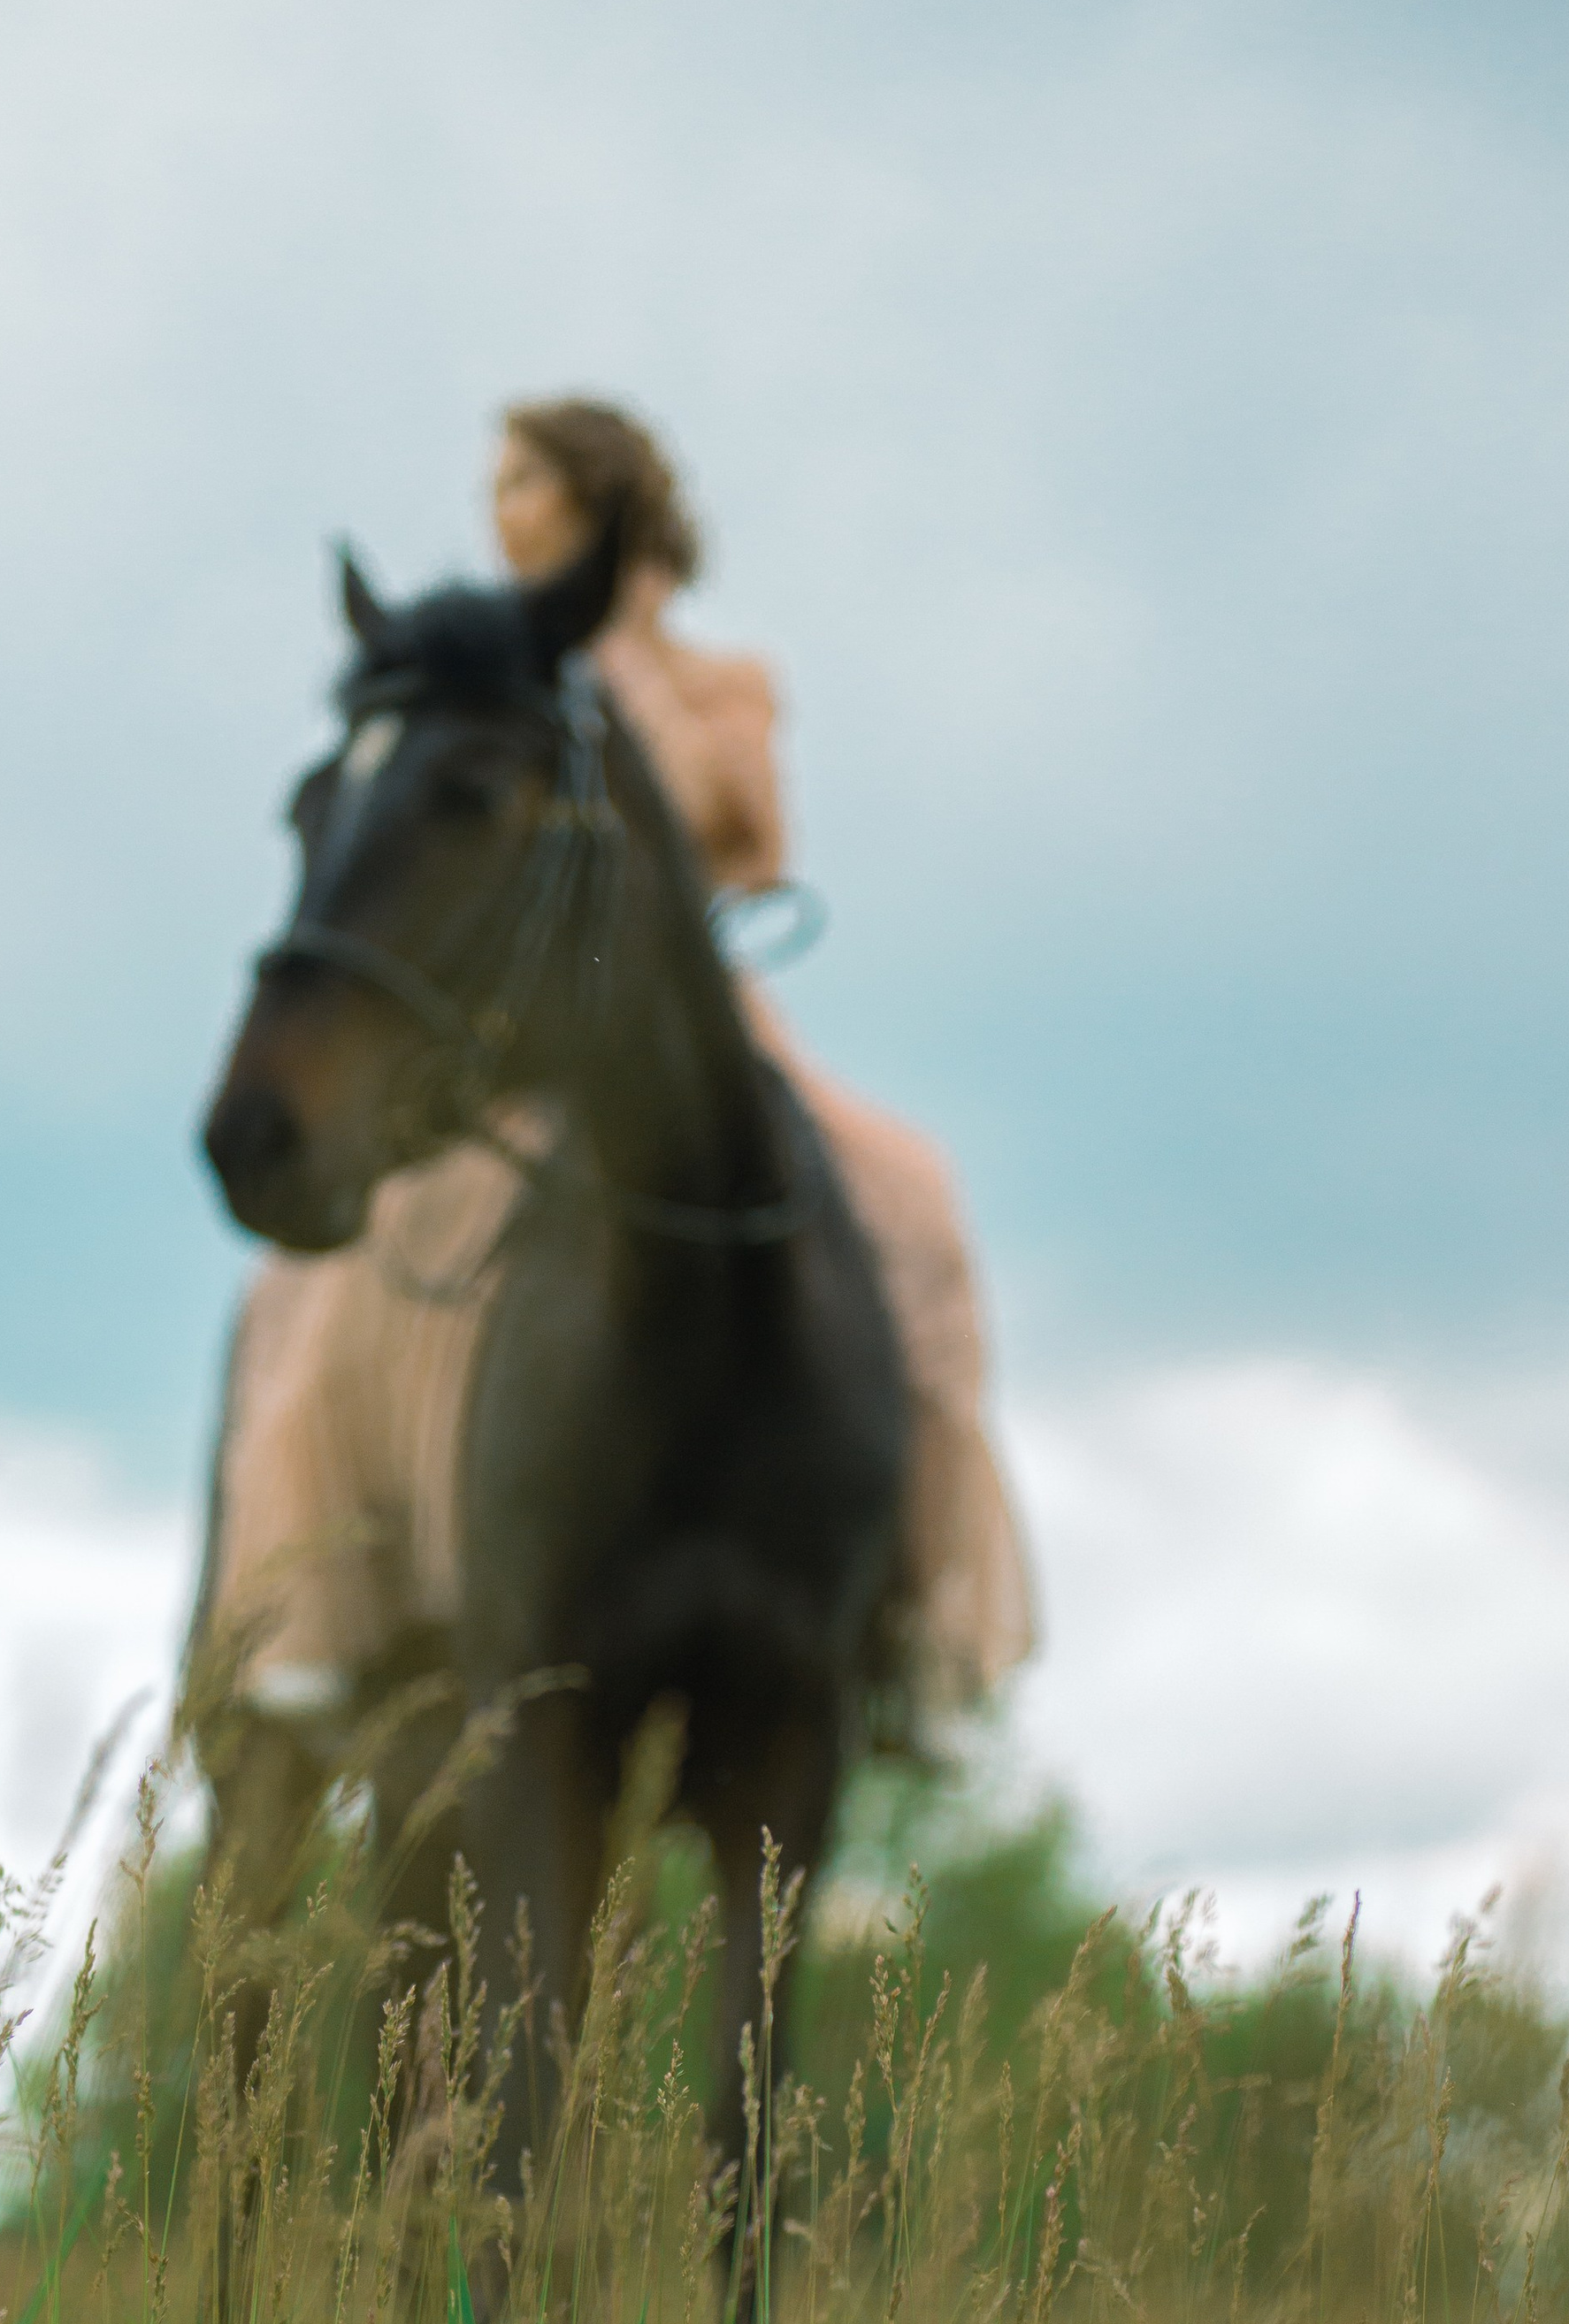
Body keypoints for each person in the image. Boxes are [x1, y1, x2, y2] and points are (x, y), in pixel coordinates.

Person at [194, 400, 1034, 1750]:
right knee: (351, 1262)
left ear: (596, 492)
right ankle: (329, 1606)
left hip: (695, 1011)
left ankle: (917, 1617)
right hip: (527, 1020)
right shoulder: (501, 676)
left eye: (520, 476)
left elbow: (761, 850)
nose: (499, 502)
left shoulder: (720, 684)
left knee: (907, 1191)